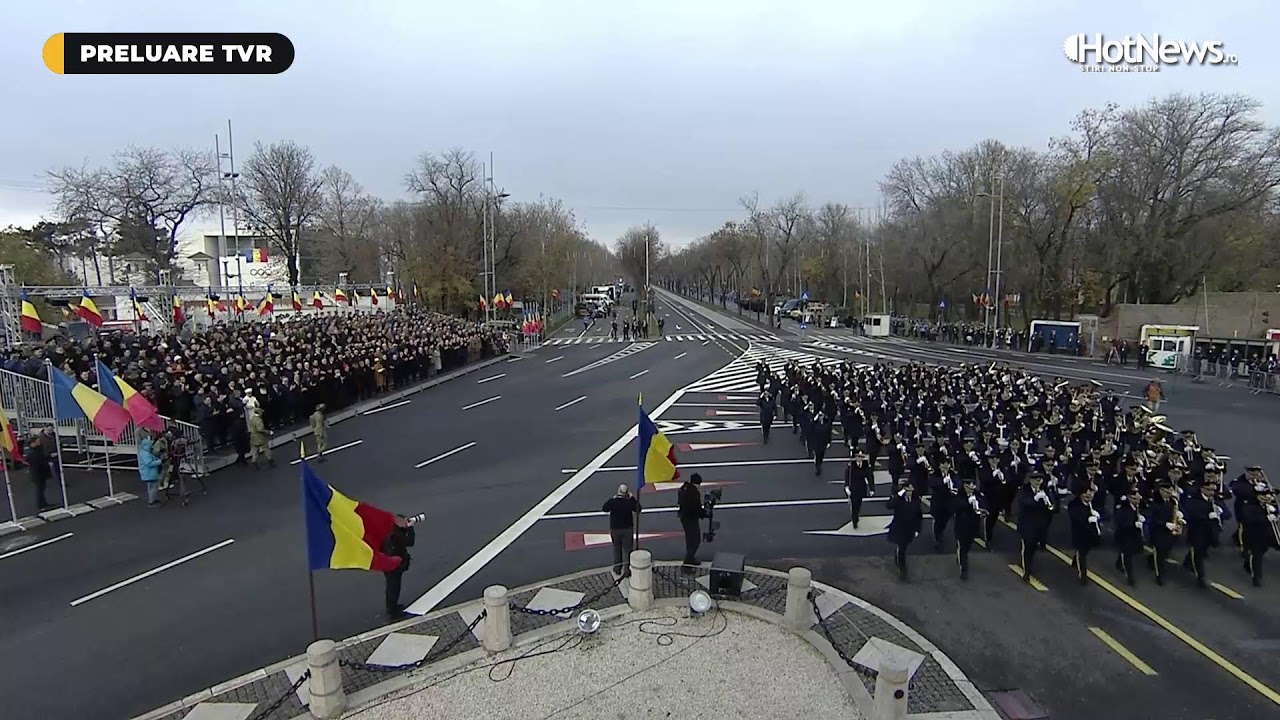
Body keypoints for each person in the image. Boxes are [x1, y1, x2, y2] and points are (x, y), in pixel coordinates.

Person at [887, 480, 923, 581]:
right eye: (907, 490)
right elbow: (889, 505)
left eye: (911, 490)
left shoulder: (915, 500)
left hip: (909, 528)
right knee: (901, 548)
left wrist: (918, 529)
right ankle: (902, 570)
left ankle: (898, 558)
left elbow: (918, 516)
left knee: (903, 547)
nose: (909, 492)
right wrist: (899, 495)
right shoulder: (898, 499)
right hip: (899, 527)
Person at [602, 484, 640, 577]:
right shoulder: (629, 502)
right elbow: (638, 508)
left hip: (615, 529)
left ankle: (617, 568)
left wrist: (613, 498)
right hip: (627, 529)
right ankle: (627, 570)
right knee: (627, 550)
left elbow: (604, 508)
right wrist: (632, 498)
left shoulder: (613, 502)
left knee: (616, 548)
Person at [1067, 485, 1102, 585]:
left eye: (1090, 492)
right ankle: (1082, 575)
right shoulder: (1074, 505)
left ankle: (1075, 562)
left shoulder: (1093, 503)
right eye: (1085, 492)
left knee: (1085, 551)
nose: (1088, 494)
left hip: (1091, 534)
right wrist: (1087, 519)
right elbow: (1075, 517)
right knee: (1081, 553)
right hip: (1080, 533)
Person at [383, 514, 416, 619]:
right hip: (395, 564)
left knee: (390, 586)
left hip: (387, 562)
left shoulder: (389, 530)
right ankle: (393, 611)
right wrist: (410, 528)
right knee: (394, 587)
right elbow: (410, 542)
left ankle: (391, 607)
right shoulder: (396, 534)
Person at [953, 477, 984, 580]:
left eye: (972, 487)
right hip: (962, 526)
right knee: (963, 548)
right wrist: (968, 503)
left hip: (973, 526)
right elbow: (957, 506)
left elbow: (983, 504)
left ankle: (962, 557)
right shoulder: (959, 496)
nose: (970, 489)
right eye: (968, 487)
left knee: (967, 546)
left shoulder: (977, 495)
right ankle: (964, 570)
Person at [1112, 487, 1144, 586]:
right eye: (1134, 498)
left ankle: (1118, 562)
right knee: (1127, 556)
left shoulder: (1138, 506)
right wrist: (1133, 524)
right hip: (1125, 535)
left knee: (1130, 552)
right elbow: (1120, 521)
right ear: (1129, 498)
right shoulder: (1123, 508)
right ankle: (1130, 578)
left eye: (1138, 498)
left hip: (1134, 535)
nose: (1137, 500)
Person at [677, 473, 707, 574]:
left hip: (684, 517)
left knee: (690, 539)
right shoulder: (694, 493)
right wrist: (704, 514)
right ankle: (687, 564)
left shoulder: (684, 488)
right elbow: (695, 508)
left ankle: (691, 559)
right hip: (690, 518)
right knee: (694, 540)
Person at [24, 431, 53, 512]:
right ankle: (40, 505)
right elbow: (38, 462)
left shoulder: (37, 449)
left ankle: (44, 503)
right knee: (39, 489)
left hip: (41, 472)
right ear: (33, 443)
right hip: (37, 473)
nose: (39, 442)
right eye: (37, 441)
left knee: (42, 488)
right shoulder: (32, 453)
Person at [845, 448, 871, 528]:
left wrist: (872, 488)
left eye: (861, 456)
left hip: (861, 488)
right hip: (853, 489)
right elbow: (847, 477)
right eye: (858, 456)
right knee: (854, 505)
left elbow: (870, 477)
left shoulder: (866, 466)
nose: (859, 458)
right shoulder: (851, 467)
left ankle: (856, 516)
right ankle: (854, 519)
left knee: (858, 505)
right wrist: (846, 487)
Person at [138, 430, 163, 507]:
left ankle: (152, 499)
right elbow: (149, 463)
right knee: (154, 487)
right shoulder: (146, 453)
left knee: (150, 487)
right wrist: (160, 461)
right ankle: (152, 501)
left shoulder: (144, 452)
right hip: (150, 473)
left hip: (148, 473)